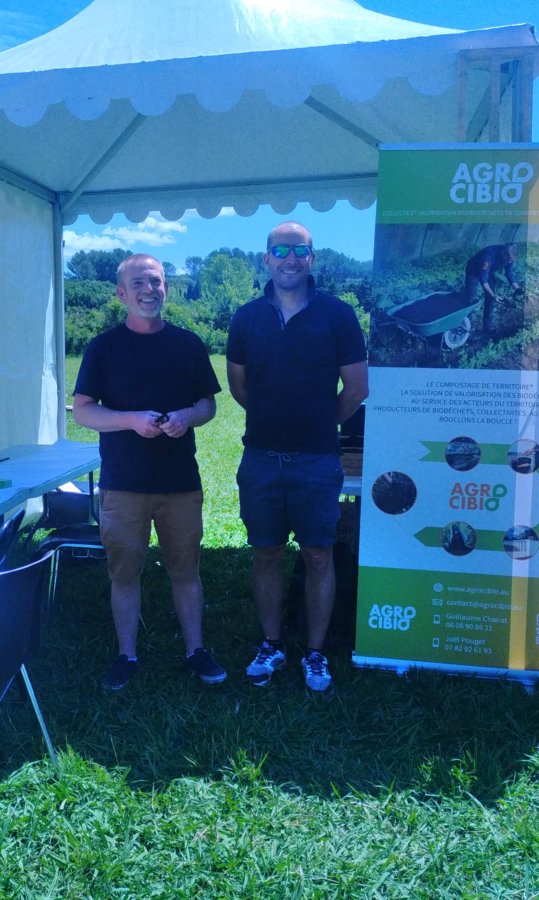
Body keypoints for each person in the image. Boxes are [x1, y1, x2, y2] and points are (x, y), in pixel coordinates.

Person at [73, 253, 226, 691]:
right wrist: (131, 420)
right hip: (124, 483)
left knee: (186, 569)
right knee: (124, 572)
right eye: (138, 282)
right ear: (121, 293)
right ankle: (126, 655)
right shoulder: (103, 347)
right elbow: (83, 411)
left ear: (166, 289)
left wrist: (186, 417)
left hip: (179, 482)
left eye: (156, 281)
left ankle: (196, 651)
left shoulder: (188, 344)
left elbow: (208, 404)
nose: (149, 289)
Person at [226, 222, 368, 693]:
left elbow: (357, 388)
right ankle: (271, 645)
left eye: (299, 250)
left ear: (312, 258)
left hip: (317, 461)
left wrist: (320, 424)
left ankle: (315, 652)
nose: (290, 258)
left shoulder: (338, 315)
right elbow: (239, 387)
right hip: (261, 459)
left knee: (318, 554)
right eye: (281, 250)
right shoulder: (246, 318)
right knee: (265, 553)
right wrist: (274, 420)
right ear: (266, 259)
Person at [463, 242, 523, 332]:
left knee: (490, 298)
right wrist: (493, 295)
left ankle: (487, 326)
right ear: (503, 253)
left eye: (511, 260)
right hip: (473, 272)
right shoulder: (488, 256)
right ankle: (466, 326)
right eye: (508, 260)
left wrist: (517, 288)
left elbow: (509, 273)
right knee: (471, 298)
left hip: (489, 272)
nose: (509, 262)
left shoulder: (510, 257)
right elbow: (483, 280)